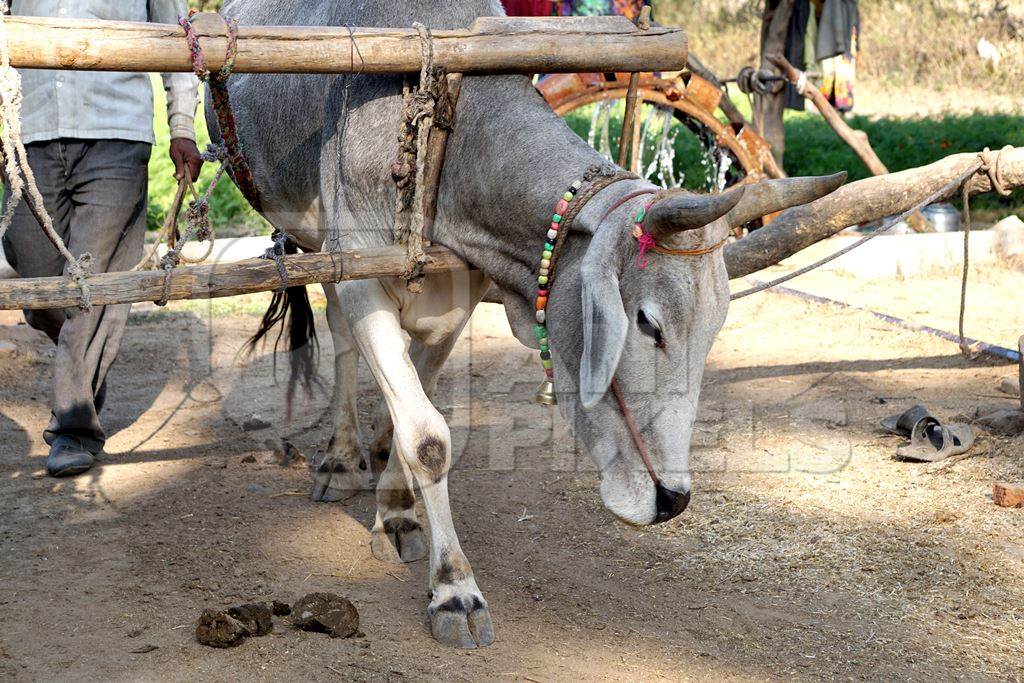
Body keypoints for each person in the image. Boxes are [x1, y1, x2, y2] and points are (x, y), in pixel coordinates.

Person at [2, 1, 202, 477]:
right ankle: (86, 369)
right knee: (40, 290)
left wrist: (182, 128)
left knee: (92, 286)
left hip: (117, 133)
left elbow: (179, 36)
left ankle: (74, 424)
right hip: (29, 132)